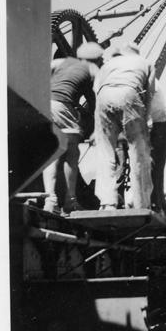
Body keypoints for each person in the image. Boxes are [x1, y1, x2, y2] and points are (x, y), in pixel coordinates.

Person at [43, 42, 103, 213]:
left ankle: (50, 200)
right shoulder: (94, 69)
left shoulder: (61, 62)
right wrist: (97, 129)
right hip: (63, 107)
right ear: (98, 59)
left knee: (52, 155)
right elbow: (99, 101)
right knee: (71, 155)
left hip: (45, 105)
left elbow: (39, 71)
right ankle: (70, 201)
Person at [94, 42, 155, 210]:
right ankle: (141, 203)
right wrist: (147, 117)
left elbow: (95, 88)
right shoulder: (146, 63)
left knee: (105, 151)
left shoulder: (108, 64)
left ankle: (107, 202)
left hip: (104, 96)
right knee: (138, 151)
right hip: (129, 93)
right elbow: (150, 92)